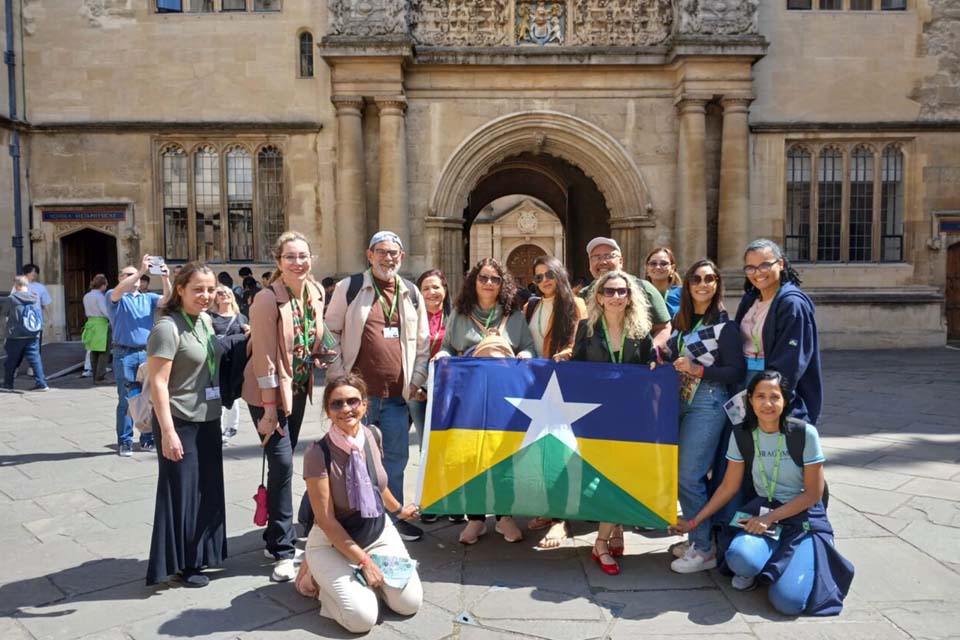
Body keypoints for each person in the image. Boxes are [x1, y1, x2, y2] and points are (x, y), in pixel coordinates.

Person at [672, 371, 853, 616]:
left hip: (803, 518)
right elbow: (728, 487)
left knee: (788, 603)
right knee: (739, 559)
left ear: (785, 401)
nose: (767, 404)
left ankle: (801, 556)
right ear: (750, 400)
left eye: (774, 397)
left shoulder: (804, 433)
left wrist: (769, 518)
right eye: (760, 396)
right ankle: (769, 561)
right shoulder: (742, 434)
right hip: (765, 513)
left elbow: (813, 494)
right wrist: (694, 521)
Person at [325, 231, 431, 543]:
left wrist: (416, 381)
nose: (388, 258)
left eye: (394, 253)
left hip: (397, 397)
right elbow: (329, 333)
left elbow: (423, 343)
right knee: (353, 459)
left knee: (395, 461)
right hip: (358, 399)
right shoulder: (350, 287)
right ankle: (358, 520)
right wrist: (340, 378)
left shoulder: (411, 292)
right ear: (369, 255)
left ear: (402, 257)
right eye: (381, 252)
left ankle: (393, 519)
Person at [301, 374, 422, 633]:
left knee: (409, 603)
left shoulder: (372, 435)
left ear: (365, 405)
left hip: (377, 533)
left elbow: (378, 486)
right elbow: (325, 521)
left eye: (353, 401)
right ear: (328, 411)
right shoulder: (317, 453)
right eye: (337, 404)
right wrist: (365, 562)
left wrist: (399, 511)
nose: (346, 409)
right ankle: (315, 576)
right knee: (361, 620)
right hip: (332, 543)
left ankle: (357, 581)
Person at [242, 230, 326, 582]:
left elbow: (311, 337)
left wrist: (319, 354)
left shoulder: (316, 292)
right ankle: (282, 549)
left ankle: (273, 537)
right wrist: (269, 409)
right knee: (282, 464)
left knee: (283, 462)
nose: (298, 262)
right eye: (290, 257)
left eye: (303, 256)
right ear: (278, 261)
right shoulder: (266, 299)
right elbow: (263, 357)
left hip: (297, 389)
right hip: (268, 393)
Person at [435, 257, 536, 545]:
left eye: (495, 279)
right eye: (483, 278)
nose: (489, 283)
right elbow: (448, 345)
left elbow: (528, 346)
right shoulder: (460, 314)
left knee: (503, 454)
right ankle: (476, 519)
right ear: (474, 282)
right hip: (469, 395)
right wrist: (443, 354)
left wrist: (525, 355)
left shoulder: (513, 315)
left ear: (503, 284)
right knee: (471, 455)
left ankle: (504, 517)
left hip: (504, 397)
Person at [145, 262, 226, 588]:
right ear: (180, 290)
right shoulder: (167, 328)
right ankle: (183, 564)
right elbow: (158, 383)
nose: (206, 295)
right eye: (198, 289)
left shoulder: (205, 320)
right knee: (182, 493)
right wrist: (167, 432)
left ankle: (203, 554)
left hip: (208, 417)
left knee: (208, 488)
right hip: (179, 420)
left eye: (210, 289)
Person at [571, 270, 656, 575]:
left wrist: (656, 364)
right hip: (597, 414)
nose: (616, 296)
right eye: (610, 291)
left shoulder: (641, 330)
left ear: (630, 297)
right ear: (599, 297)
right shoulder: (587, 329)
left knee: (621, 475)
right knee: (606, 476)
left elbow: (650, 366)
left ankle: (601, 542)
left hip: (630, 414)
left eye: (622, 291)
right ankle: (611, 532)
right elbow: (576, 369)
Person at [665, 259, 745, 573]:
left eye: (710, 278)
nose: (703, 284)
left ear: (717, 284)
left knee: (689, 474)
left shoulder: (726, 327)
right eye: (696, 279)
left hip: (708, 403)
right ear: (687, 284)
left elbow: (735, 371)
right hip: (681, 400)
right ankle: (697, 537)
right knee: (683, 474)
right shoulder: (681, 321)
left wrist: (698, 369)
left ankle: (704, 549)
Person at [523, 255, 587, 548]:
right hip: (535, 386)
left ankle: (562, 519)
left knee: (561, 451)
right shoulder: (531, 306)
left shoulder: (575, 304)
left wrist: (567, 354)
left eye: (549, 274)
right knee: (540, 450)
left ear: (560, 273)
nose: (545, 280)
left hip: (563, 386)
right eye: (538, 277)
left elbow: (579, 342)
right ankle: (548, 509)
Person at [736, 239, 823, 423]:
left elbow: (791, 360)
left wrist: (768, 395)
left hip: (771, 385)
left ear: (781, 264)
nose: (757, 273)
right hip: (743, 379)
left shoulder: (792, 304)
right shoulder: (750, 299)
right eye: (750, 268)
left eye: (765, 265)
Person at [109, 256, 171, 457]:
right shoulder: (115, 296)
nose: (134, 277)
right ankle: (125, 441)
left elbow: (167, 300)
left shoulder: (148, 297)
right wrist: (141, 271)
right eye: (127, 274)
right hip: (123, 353)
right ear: (120, 278)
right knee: (126, 398)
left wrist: (165, 278)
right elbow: (118, 292)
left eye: (135, 275)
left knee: (149, 397)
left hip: (146, 352)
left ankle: (147, 437)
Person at [579, 237, 672, 350]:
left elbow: (664, 327)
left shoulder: (644, 289)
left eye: (609, 256)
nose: (603, 262)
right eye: (596, 257)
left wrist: (651, 351)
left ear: (621, 261)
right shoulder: (583, 295)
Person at [210, 285, 249, 443]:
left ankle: (232, 427)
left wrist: (248, 331)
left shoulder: (240, 317)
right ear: (216, 298)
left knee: (233, 391)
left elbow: (247, 338)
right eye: (220, 293)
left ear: (232, 296)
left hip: (234, 361)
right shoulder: (210, 317)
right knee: (217, 392)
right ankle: (218, 428)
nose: (224, 295)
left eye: (227, 292)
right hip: (217, 359)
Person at [2, 276, 48, 392]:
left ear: (16, 285)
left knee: (11, 361)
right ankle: (42, 384)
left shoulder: (12, 299)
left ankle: (8, 384)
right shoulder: (34, 297)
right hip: (33, 333)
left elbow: (5, 313)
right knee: (35, 360)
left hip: (16, 334)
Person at [81, 274, 111, 385]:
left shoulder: (87, 296)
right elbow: (105, 311)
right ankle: (100, 376)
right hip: (101, 324)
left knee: (93, 350)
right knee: (103, 351)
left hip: (90, 323)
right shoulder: (100, 297)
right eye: (105, 285)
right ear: (102, 285)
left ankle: (95, 375)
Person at [644, 247, 683, 319]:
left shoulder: (683, 293)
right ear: (646, 268)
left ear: (672, 268)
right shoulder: (638, 294)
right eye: (653, 263)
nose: (658, 267)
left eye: (664, 263)